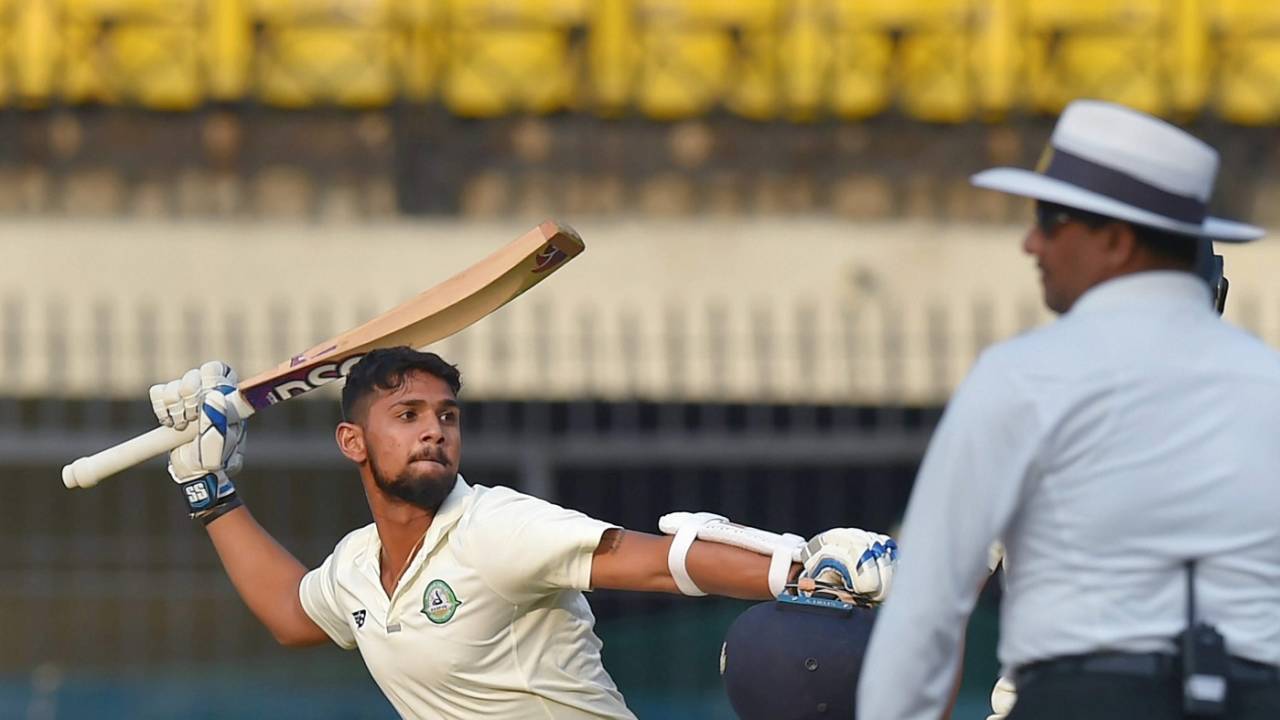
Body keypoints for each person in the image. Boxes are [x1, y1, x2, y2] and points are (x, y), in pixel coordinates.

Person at [149, 346, 898, 719]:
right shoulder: (353, 569)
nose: (434, 432)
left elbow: (654, 563)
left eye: (446, 416)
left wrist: (797, 569)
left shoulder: (495, 527)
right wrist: (208, 491)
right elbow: (288, 612)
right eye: (407, 416)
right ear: (352, 442)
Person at [859, 98, 1280, 720]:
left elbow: (926, 610)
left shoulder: (1023, 376)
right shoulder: (1268, 384)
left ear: (1114, 240)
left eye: (1051, 220)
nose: (1031, 243)